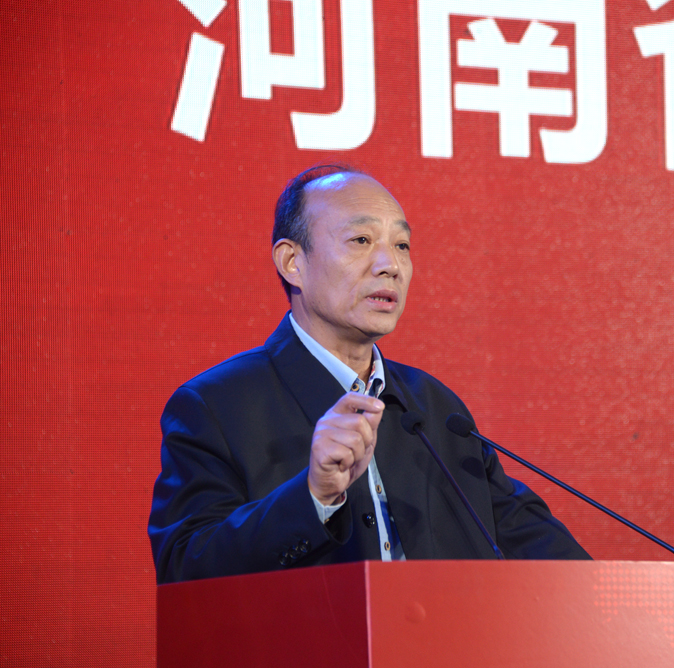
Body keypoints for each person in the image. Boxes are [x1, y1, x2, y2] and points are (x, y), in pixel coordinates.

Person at [149, 165, 589, 583]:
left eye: (401, 245)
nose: (390, 265)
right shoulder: (216, 406)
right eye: (361, 240)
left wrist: (616, 599)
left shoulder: (435, 408)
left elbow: (530, 539)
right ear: (292, 262)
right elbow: (184, 570)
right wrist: (313, 496)